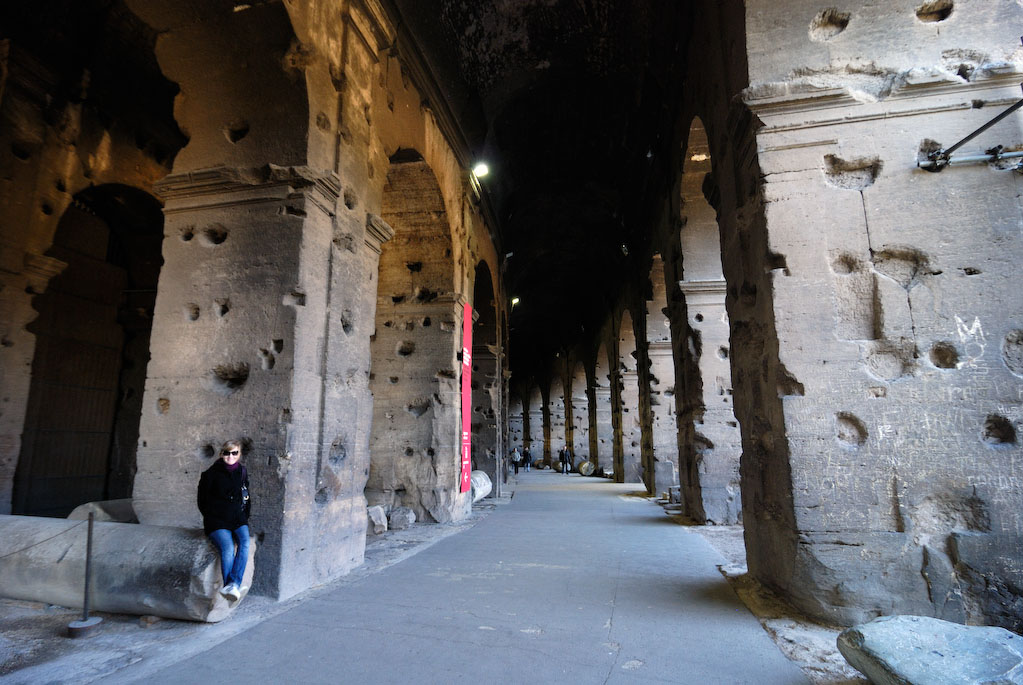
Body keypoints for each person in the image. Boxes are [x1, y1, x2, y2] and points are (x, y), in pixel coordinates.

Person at [197, 439, 251, 601]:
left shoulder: (242, 471)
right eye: (227, 453)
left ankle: (232, 585)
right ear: (221, 454)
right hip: (217, 520)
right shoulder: (210, 474)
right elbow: (202, 501)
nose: (230, 456)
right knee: (227, 548)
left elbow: (246, 495)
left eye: (234, 453)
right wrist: (212, 515)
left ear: (239, 454)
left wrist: (244, 515)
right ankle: (232, 585)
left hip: (237, 518)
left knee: (245, 542)